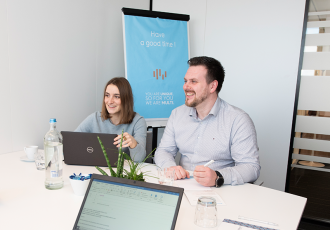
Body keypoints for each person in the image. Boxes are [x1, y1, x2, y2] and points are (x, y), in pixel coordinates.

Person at [154, 56, 260, 187]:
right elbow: (163, 151)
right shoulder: (177, 114)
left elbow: (251, 167)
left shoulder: (238, 120)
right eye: (185, 81)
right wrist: (170, 167)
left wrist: (218, 176)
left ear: (212, 86)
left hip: (221, 190)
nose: (186, 87)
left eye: (193, 81)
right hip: (183, 187)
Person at [75, 77, 147, 162]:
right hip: (96, 168)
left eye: (116, 96)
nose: (110, 101)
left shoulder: (138, 121)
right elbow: (72, 142)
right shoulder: (94, 118)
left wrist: (133, 144)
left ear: (126, 99)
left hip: (122, 173)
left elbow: (139, 159)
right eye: (107, 95)